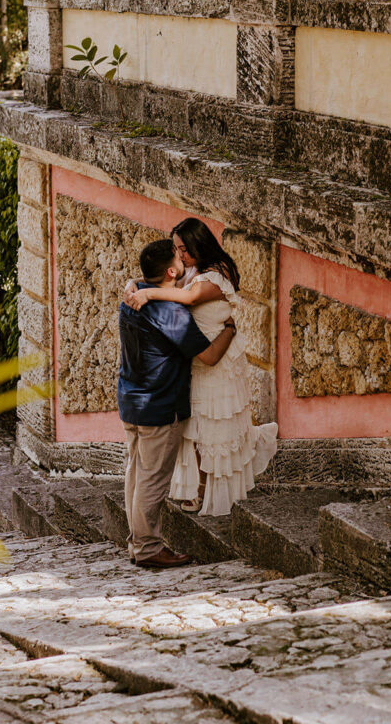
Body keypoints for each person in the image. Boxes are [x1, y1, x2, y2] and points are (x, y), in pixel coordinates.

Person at [127, 218, 278, 517]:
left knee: (214, 427)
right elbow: (165, 279)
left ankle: (208, 488)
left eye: (184, 249)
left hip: (219, 364)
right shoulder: (193, 270)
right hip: (197, 360)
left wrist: (147, 293)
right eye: (177, 249)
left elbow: (189, 296)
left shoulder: (216, 275)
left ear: (199, 243)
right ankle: (201, 486)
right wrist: (134, 283)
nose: (180, 255)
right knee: (196, 428)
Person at [118, 237, 237, 568]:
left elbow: (164, 285)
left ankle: (137, 543)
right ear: (171, 271)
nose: (183, 259)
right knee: (153, 480)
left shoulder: (132, 296)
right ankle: (147, 548)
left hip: (131, 399)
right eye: (178, 257)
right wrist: (229, 329)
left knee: (136, 473)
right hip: (160, 405)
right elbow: (209, 356)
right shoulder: (170, 313)